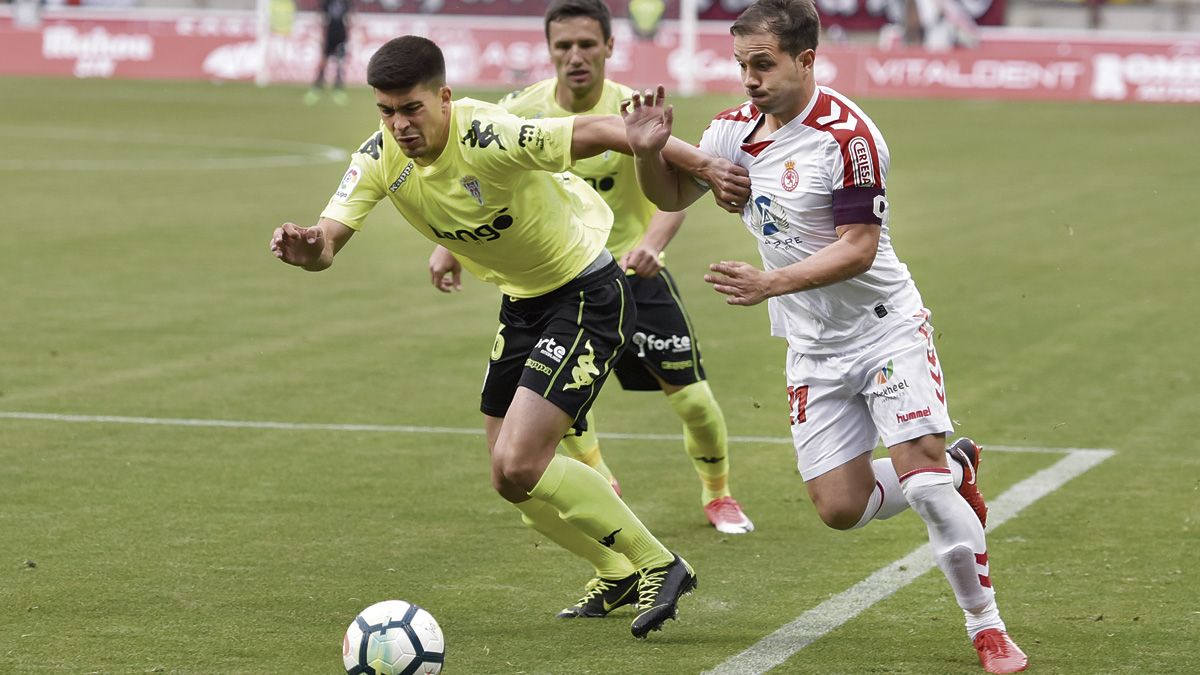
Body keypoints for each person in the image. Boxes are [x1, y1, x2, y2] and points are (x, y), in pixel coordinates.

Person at [270, 35, 749, 638]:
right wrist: (309, 248)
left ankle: (660, 563)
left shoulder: (488, 133)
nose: (399, 124)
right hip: (523, 305)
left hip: (586, 293)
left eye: (411, 108)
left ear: (443, 98)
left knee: (523, 461)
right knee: (506, 478)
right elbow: (328, 244)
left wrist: (699, 162)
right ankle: (615, 570)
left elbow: (595, 131)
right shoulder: (377, 157)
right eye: (386, 111)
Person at [619, 0, 1028, 671]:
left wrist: (767, 283)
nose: (749, 78)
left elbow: (859, 248)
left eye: (763, 64)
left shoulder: (849, 138)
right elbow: (670, 198)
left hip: (884, 329)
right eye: (741, 65)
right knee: (839, 508)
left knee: (922, 487)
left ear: (806, 59)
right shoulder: (732, 132)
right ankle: (956, 463)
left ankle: (986, 625)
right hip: (812, 345)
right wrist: (644, 153)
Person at [428, 0, 755, 555]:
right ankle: (603, 481)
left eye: (586, 45)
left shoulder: (630, 109)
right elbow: (471, 175)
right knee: (563, 410)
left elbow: (684, 186)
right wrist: (448, 248)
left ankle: (718, 493)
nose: (575, 57)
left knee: (694, 400)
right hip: (557, 283)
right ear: (549, 51)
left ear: (608, 47)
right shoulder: (519, 110)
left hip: (632, 271)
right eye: (564, 46)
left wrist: (652, 244)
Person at [304, 0, 352, 106]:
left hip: (341, 37)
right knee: (323, 63)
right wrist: (321, 37)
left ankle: (338, 89)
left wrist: (348, 36)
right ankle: (317, 88)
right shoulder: (327, 2)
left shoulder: (346, 2)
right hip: (329, 37)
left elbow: (349, 18)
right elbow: (322, 19)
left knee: (340, 64)